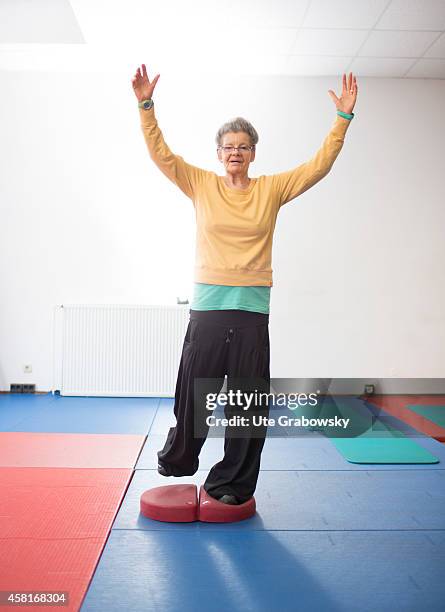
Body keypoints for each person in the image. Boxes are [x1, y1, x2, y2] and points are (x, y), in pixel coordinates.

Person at [132, 64, 357, 505]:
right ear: (218, 153)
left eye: (243, 146)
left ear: (253, 153)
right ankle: (180, 461)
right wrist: (146, 106)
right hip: (209, 310)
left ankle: (231, 483)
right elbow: (162, 154)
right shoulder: (200, 183)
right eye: (228, 146)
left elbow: (317, 167)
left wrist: (342, 120)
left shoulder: (271, 189)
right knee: (195, 398)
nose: (236, 152)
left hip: (252, 312)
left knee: (247, 407)